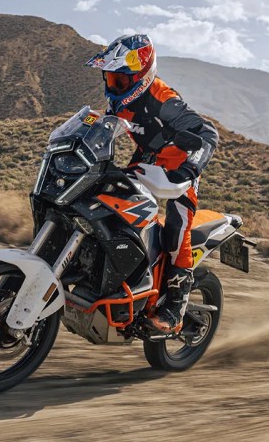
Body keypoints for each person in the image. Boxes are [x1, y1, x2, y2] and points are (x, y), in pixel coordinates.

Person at [86, 34, 218, 333]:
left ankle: (175, 307)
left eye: (120, 81)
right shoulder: (120, 102)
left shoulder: (163, 99)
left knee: (176, 231)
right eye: (110, 79)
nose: (112, 86)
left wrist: (191, 167)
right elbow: (106, 131)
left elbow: (207, 133)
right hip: (145, 163)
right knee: (107, 208)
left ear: (142, 76)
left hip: (178, 172)